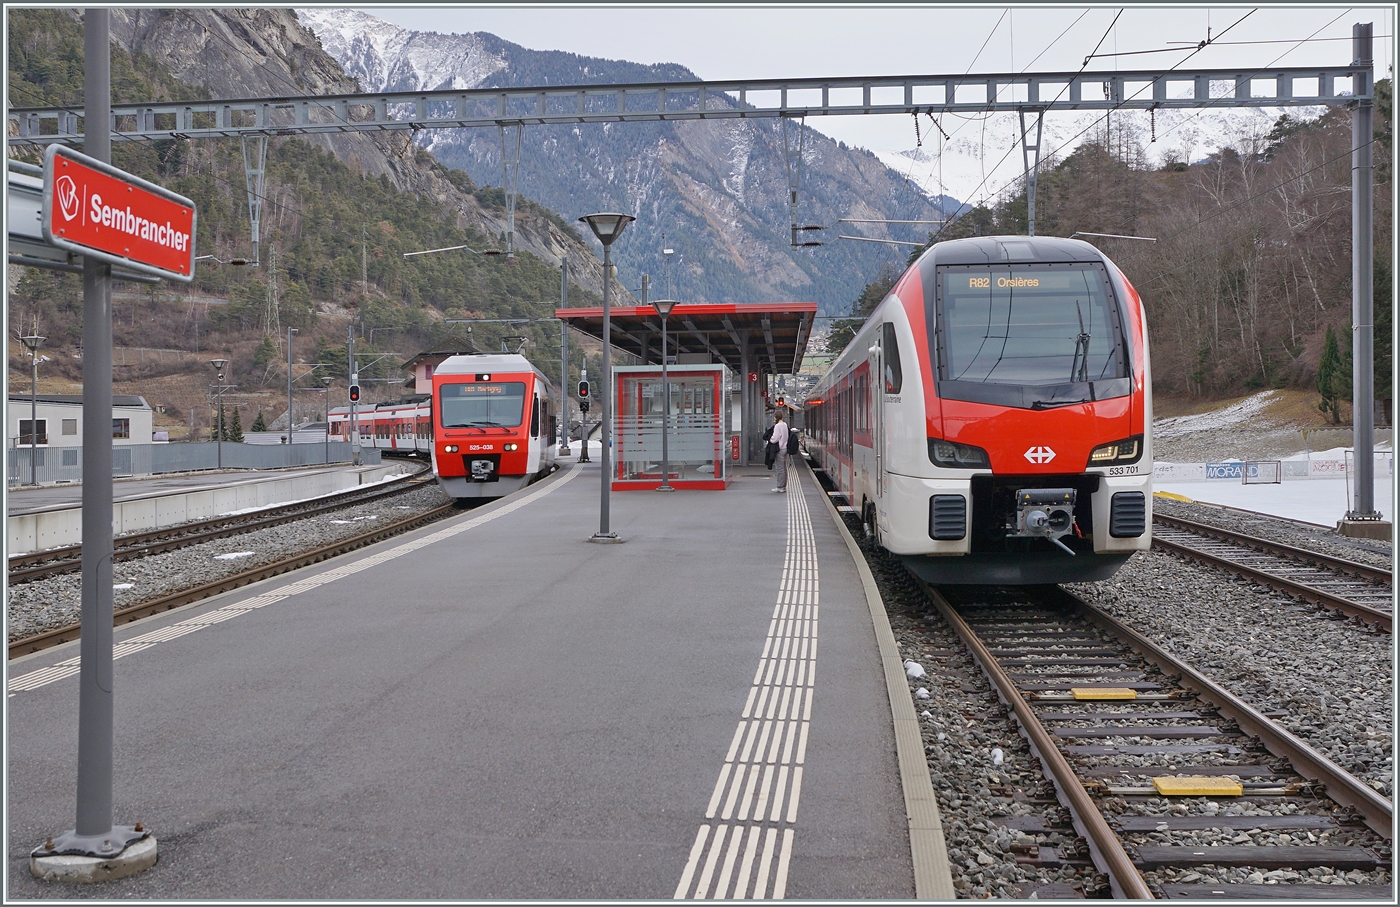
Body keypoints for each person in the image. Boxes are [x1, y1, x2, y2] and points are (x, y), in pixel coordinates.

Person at [769, 410, 789, 493]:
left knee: (780, 468)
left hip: (779, 449)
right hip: (785, 448)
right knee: (784, 468)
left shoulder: (777, 426)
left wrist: (770, 439)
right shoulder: (785, 425)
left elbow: (775, 438)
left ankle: (780, 486)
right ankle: (784, 486)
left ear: (775, 417)